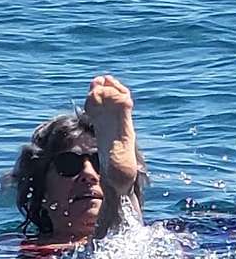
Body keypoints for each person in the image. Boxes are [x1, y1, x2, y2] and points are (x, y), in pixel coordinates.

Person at [8, 74, 143, 248]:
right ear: (41, 188)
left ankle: (119, 190)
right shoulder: (27, 249)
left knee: (123, 239)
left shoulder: (19, 248)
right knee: (123, 241)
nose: (89, 174)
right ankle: (119, 189)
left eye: (98, 163)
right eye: (69, 164)